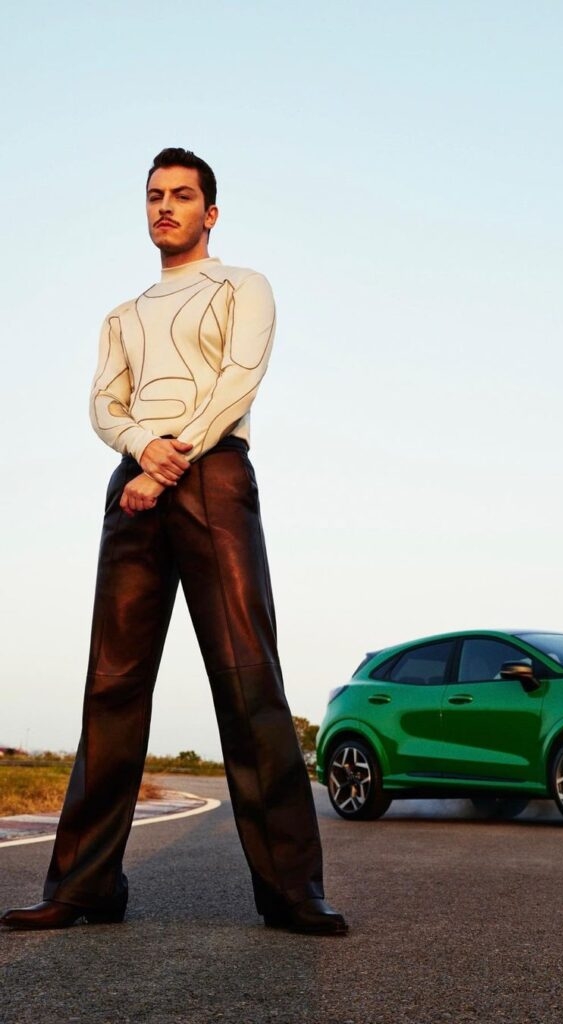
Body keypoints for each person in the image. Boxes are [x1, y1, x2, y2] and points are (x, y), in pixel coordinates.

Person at [1, 148, 347, 936]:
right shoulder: (121, 315)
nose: (166, 207)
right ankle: (85, 887)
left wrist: (169, 457)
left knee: (246, 673)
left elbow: (239, 377)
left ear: (209, 213)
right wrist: (139, 450)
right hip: (133, 482)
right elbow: (102, 403)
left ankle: (292, 890)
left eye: (182, 196)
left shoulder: (242, 285)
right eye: (155, 196)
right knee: (112, 683)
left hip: (211, 476)